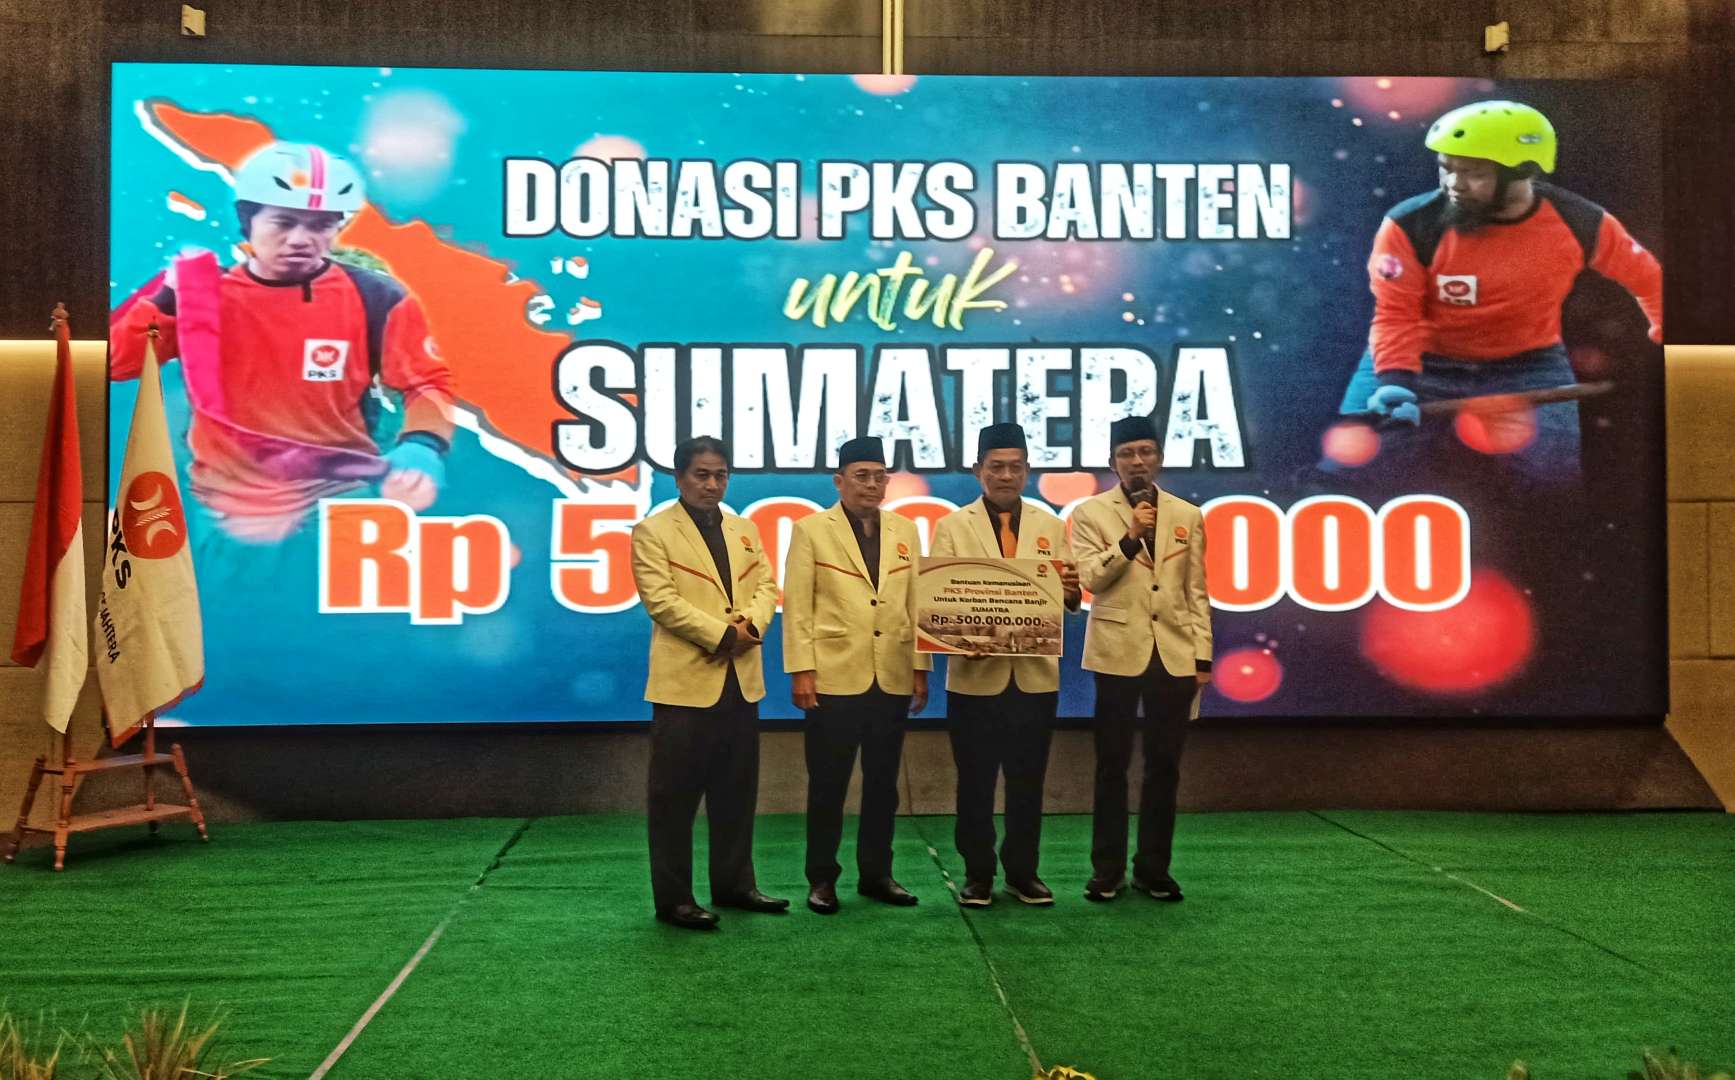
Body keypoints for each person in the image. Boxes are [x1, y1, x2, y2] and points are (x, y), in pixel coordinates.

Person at [110, 140, 453, 543]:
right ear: (248, 220)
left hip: (337, 503)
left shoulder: (377, 297)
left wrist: (423, 444)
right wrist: (166, 300)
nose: (300, 239)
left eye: (321, 225)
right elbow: (120, 365)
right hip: (222, 508)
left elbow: (426, 383)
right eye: (283, 222)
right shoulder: (203, 295)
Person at [1341, 99, 1662, 502]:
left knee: (1555, 487)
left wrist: (1664, 337)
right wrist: (1394, 384)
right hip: (1420, 361)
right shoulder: (1409, 223)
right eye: (1446, 167)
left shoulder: (1581, 222)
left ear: (1521, 172)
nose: (1454, 183)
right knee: (1346, 469)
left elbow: (1648, 278)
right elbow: (1395, 313)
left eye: (1473, 173)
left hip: (1529, 364)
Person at [631, 436, 787, 931]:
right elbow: (661, 602)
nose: (712, 484)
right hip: (684, 687)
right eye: (701, 474)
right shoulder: (653, 531)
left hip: (742, 683)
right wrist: (723, 635)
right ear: (679, 477)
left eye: (720, 475)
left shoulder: (744, 529)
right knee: (674, 802)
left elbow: (766, 587)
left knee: (736, 794)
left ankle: (736, 885)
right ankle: (675, 900)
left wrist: (751, 628)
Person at [929, 423, 1080, 907]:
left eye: (1015, 467)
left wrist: (1070, 592)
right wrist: (961, 636)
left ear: (1028, 471)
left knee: (1027, 781)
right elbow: (941, 601)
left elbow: (1067, 596)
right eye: (996, 467)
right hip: (973, 680)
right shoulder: (953, 527)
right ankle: (977, 874)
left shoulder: (1049, 525)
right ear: (978, 470)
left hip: (1034, 680)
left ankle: (1023, 872)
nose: (1006, 475)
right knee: (974, 783)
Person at [782, 436, 931, 915]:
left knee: (884, 785)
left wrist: (920, 669)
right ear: (839, 481)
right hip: (832, 677)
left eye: (879, 476)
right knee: (828, 785)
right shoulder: (811, 530)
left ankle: (877, 875)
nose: (872, 484)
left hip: (892, 674)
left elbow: (915, 604)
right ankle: (822, 878)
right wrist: (801, 670)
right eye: (861, 476)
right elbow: (797, 607)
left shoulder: (906, 531)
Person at [1071, 414, 1213, 903]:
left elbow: (1196, 591)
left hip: (1173, 654)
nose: (1137, 462)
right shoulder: (1090, 514)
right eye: (1127, 454)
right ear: (1113, 462)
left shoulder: (1188, 515)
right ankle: (1106, 870)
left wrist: (1202, 656)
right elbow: (1091, 579)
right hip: (1116, 653)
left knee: (1164, 766)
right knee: (1111, 765)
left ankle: (1153, 870)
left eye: (1145, 452)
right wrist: (1130, 538)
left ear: (1159, 458)